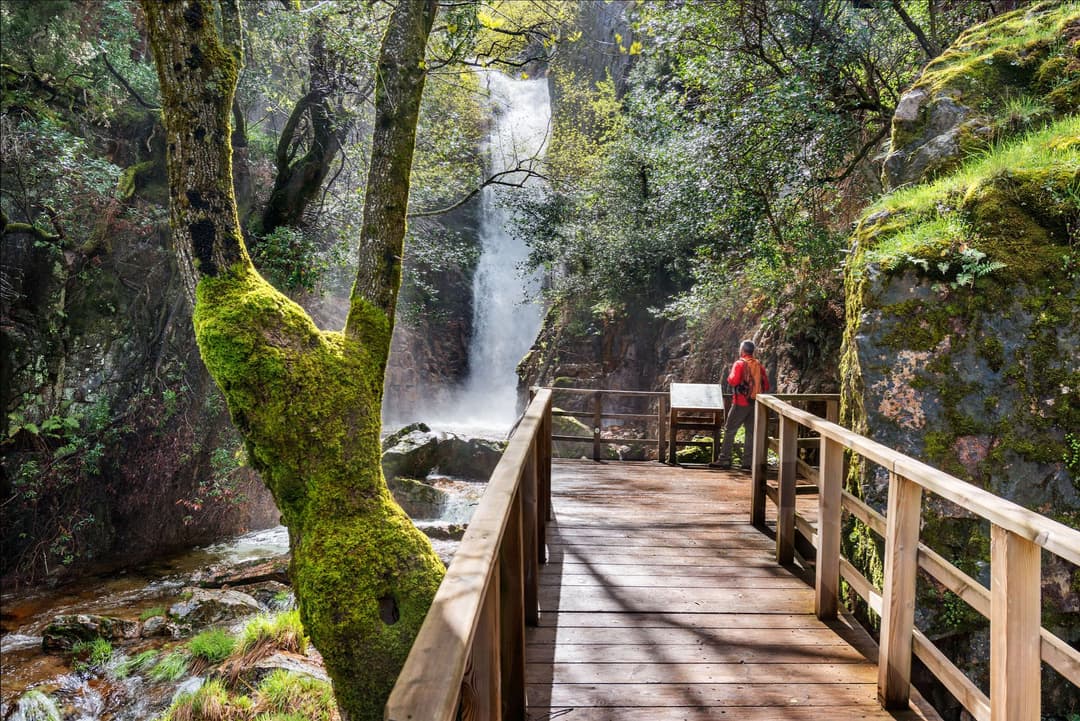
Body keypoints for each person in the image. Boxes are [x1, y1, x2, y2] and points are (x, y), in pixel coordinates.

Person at [713, 340, 770, 470]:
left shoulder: (739, 363)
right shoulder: (759, 365)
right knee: (751, 432)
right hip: (755, 403)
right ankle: (748, 462)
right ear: (752, 351)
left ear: (743, 350)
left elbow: (733, 381)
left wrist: (730, 376)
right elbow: (766, 385)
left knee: (730, 430)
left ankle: (724, 459)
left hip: (740, 402)